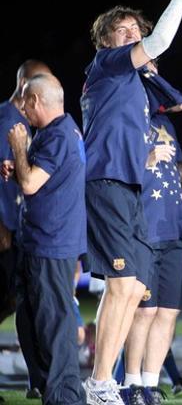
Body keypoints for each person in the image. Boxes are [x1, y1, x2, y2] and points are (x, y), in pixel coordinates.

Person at [80, 0, 182, 403]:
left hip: (127, 186)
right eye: (121, 30)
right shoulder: (109, 65)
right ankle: (100, 383)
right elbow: (160, 42)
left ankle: (104, 382)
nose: (131, 34)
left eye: (135, 30)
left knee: (128, 288)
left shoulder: (134, 86)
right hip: (107, 183)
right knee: (123, 285)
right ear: (106, 43)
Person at [118, 60, 182, 404]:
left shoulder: (166, 122)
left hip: (173, 229)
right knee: (144, 312)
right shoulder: (126, 122)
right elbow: (113, 170)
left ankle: (152, 383)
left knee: (168, 311)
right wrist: (145, 160)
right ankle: (131, 384)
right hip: (144, 229)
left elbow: (177, 173)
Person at [4, 73, 86, 404]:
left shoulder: (57, 136)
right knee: (39, 318)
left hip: (51, 243)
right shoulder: (59, 131)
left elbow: (30, 184)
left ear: (37, 100)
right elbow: (36, 180)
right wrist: (18, 164)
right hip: (45, 241)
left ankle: (65, 395)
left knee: (55, 321)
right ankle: (50, 387)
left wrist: (19, 149)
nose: (22, 109)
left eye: (24, 102)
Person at [0, 60, 51, 324]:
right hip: (5, 227)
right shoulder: (6, 120)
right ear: (24, 84)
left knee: (12, 298)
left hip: (17, 224)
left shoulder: (23, 120)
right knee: (8, 296)